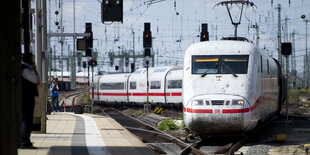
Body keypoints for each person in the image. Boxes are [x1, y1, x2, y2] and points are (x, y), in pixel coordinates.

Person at [21, 52, 40, 149]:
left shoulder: (24, 68)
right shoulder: (25, 69)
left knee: (26, 119)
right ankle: (25, 141)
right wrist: (35, 69)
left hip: (25, 97)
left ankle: (25, 140)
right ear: (30, 60)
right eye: (32, 58)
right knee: (26, 119)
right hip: (26, 97)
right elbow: (37, 80)